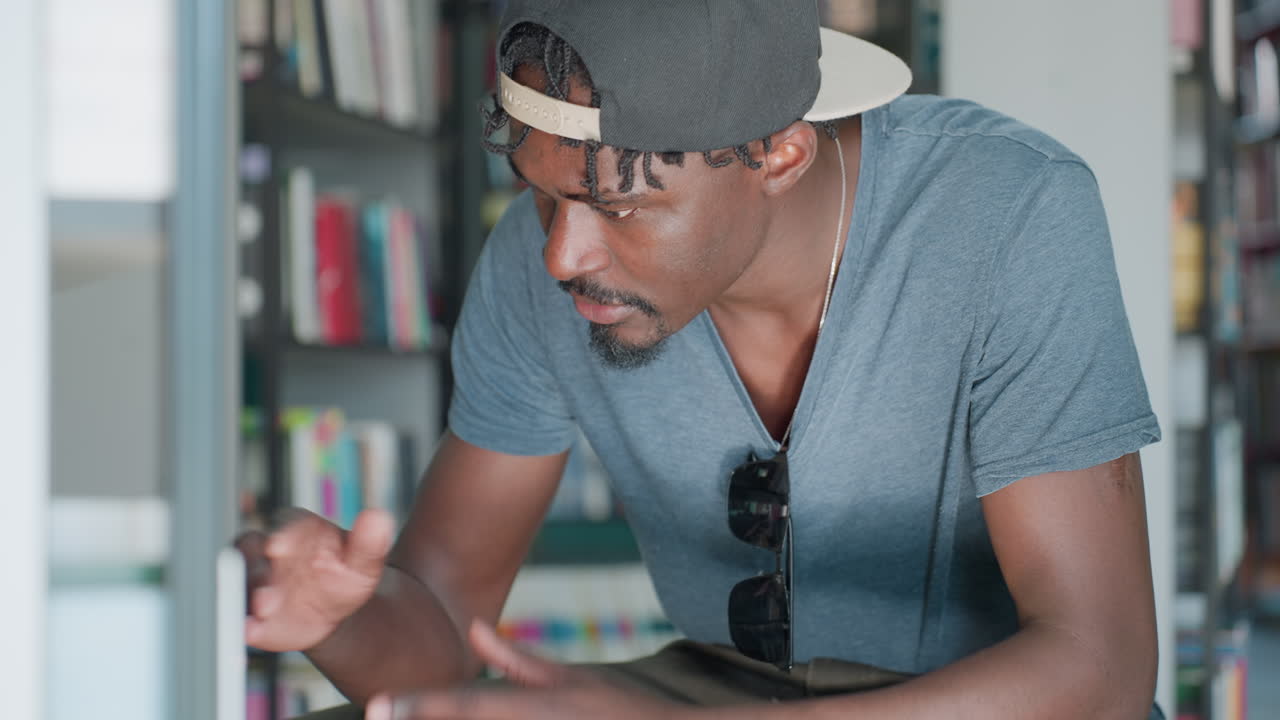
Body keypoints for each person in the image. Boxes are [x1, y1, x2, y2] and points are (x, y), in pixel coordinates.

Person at [237, 2, 1166, 718]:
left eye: (622, 206)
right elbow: (439, 628)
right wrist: (341, 618)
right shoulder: (540, 263)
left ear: (779, 154)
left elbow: (1103, 668)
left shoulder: (1010, 211)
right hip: (719, 689)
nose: (563, 256)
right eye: (541, 195)